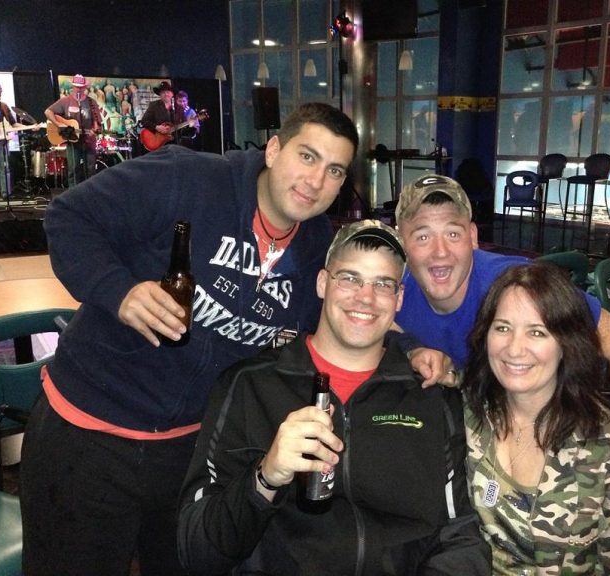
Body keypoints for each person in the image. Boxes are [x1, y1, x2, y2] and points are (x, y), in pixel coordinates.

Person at [19, 102, 361, 576]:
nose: (315, 180)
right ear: (274, 149)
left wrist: (417, 353)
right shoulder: (188, 177)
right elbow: (69, 217)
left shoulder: (316, 251)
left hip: (188, 456)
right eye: (307, 156)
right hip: (87, 436)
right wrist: (119, 291)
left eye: (334, 169)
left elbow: (343, 326)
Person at [177, 220, 492, 575]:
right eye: (350, 278)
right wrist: (265, 477)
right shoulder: (250, 387)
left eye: (382, 284)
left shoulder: (430, 397)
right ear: (323, 283)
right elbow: (197, 551)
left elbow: (461, 536)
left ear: (398, 299)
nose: (366, 297)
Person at [393, 174, 610, 498]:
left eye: (453, 233)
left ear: (473, 237)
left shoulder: (515, 285)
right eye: (422, 237)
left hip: (559, 426)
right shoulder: (394, 295)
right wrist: (414, 348)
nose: (440, 252)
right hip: (480, 431)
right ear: (401, 243)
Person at [461, 262, 610, 574]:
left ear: (566, 344)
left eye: (537, 332)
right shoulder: (468, 411)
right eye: (502, 328)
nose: (514, 348)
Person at [45, 74, 100, 186]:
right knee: (73, 170)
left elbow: (97, 122)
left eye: (81, 87)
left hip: (89, 141)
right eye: (76, 86)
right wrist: (59, 124)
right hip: (72, 140)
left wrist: (95, 129)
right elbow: (48, 112)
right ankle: (73, 197)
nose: (78, 89)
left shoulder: (91, 102)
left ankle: (90, 195)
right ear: (73, 87)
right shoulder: (65, 101)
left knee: (90, 170)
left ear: (85, 88)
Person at [139, 80, 181, 151]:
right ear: (160, 95)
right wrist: (156, 127)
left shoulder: (179, 108)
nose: (166, 94)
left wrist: (191, 125)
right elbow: (144, 121)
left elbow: (183, 127)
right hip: (159, 144)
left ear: (172, 94)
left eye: (168, 92)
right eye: (163, 92)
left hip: (174, 144)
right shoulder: (154, 105)